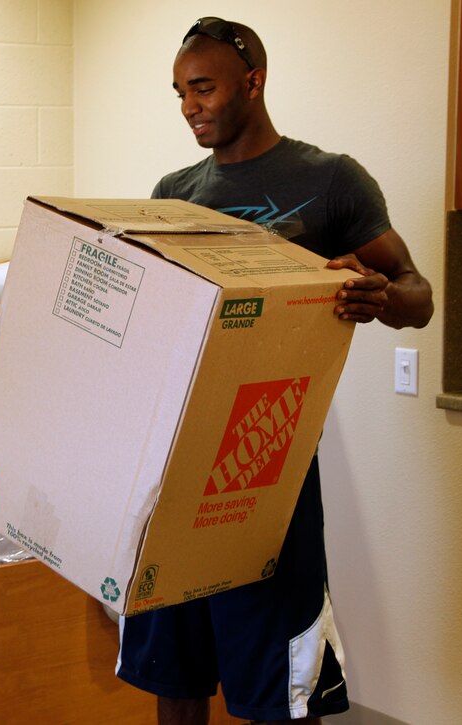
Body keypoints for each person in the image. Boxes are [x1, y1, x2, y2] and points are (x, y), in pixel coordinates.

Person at [115, 17, 434, 725]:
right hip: (176, 461)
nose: (188, 105)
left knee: (281, 679)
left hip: (269, 460)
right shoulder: (175, 192)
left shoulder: (329, 181)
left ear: (253, 83)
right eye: (179, 92)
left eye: (202, 87)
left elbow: (419, 295)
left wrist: (379, 297)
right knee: (178, 667)